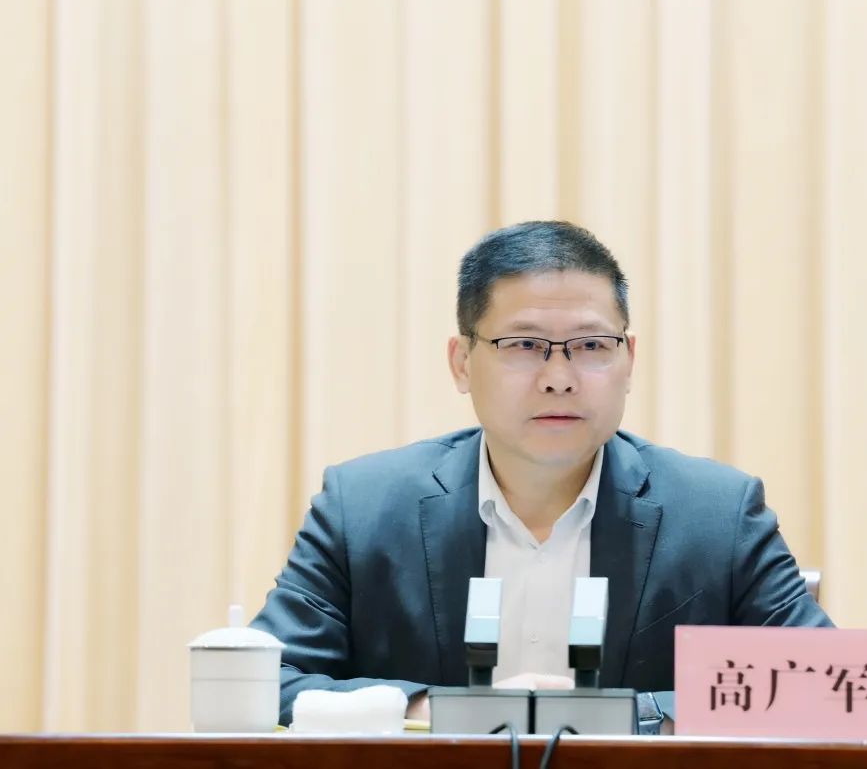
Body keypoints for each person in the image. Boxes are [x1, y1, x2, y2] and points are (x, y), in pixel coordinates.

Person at [251, 221, 832, 733]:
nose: (559, 376)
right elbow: (266, 681)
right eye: (524, 345)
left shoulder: (718, 514)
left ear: (629, 360)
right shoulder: (363, 509)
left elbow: (827, 691)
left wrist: (623, 717)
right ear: (461, 362)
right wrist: (441, 712)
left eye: (590, 345)